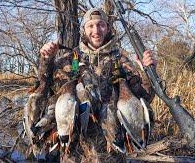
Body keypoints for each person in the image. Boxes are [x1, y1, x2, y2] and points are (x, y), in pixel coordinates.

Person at [33, 8, 156, 158]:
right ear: (83, 30)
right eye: (90, 25)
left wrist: (147, 71)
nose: (96, 30)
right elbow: (44, 86)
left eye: (101, 24)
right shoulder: (71, 59)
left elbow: (145, 97)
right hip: (75, 154)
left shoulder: (121, 60)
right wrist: (46, 59)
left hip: (112, 154)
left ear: (108, 28)